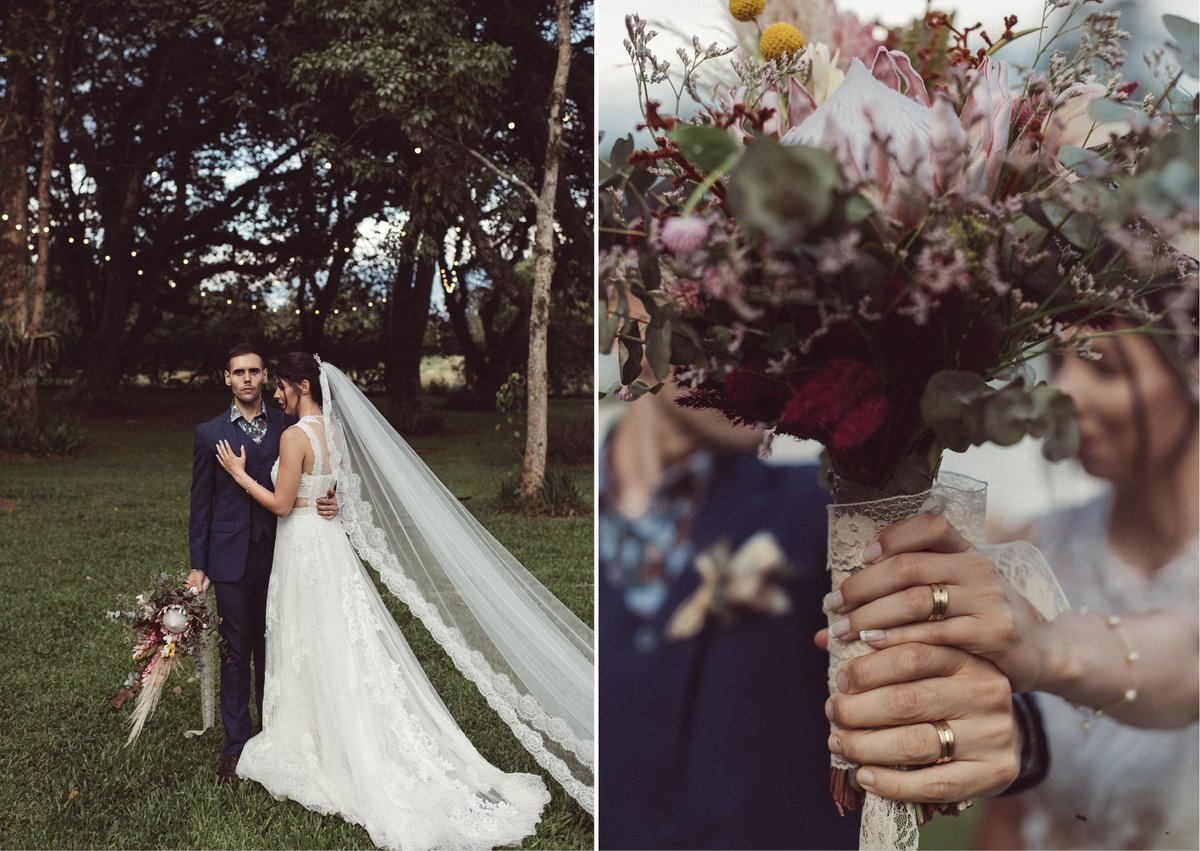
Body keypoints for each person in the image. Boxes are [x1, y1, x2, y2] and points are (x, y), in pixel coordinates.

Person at [600, 368, 1043, 850]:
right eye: (714, 319)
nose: (749, 354)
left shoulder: (832, 510)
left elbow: (951, 652)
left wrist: (1009, 727)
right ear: (633, 311)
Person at [825, 321, 1199, 849]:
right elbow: (1014, 810)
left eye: (1106, 367)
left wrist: (1047, 647)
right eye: (1060, 363)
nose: (1064, 391)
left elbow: (1188, 656)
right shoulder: (1040, 544)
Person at [212, 352, 593, 850]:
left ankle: (317, 745)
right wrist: (330, 500)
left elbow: (283, 504)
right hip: (329, 547)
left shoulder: (292, 435)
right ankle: (327, 732)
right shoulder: (332, 432)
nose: (275, 393)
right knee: (336, 638)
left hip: (304, 547)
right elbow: (336, 490)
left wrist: (241, 475)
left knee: (308, 635)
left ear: (302, 385)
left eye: (281, 385)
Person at [186, 343, 338, 780]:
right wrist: (200, 565)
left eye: (255, 371)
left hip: (282, 553)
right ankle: (236, 747)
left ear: (267, 376)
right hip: (229, 559)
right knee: (236, 651)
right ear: (227, 379)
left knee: (274, 648)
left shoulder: (292, 425)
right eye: (239, 372)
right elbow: (201, 504)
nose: (248, 379)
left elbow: (316, 475)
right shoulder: (208, 432)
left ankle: (275, 733)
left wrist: (332, 500)